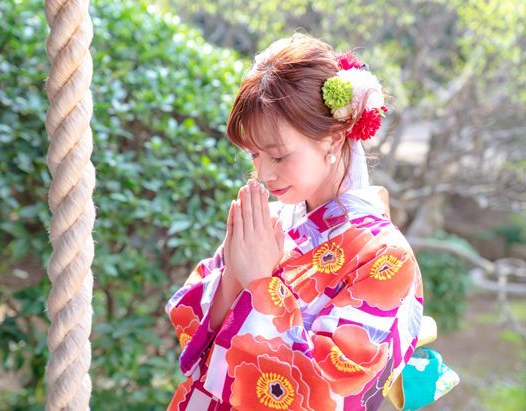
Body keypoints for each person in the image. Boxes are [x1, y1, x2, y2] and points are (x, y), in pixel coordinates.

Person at [165, 32, 459, 410]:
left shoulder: (385, 257)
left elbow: (329, 394)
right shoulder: (268, 222)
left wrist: (259, 284)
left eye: (278, 155)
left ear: (333, 140)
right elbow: (191, 334)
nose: (264, 174)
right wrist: (234, 277)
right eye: (254, 155)